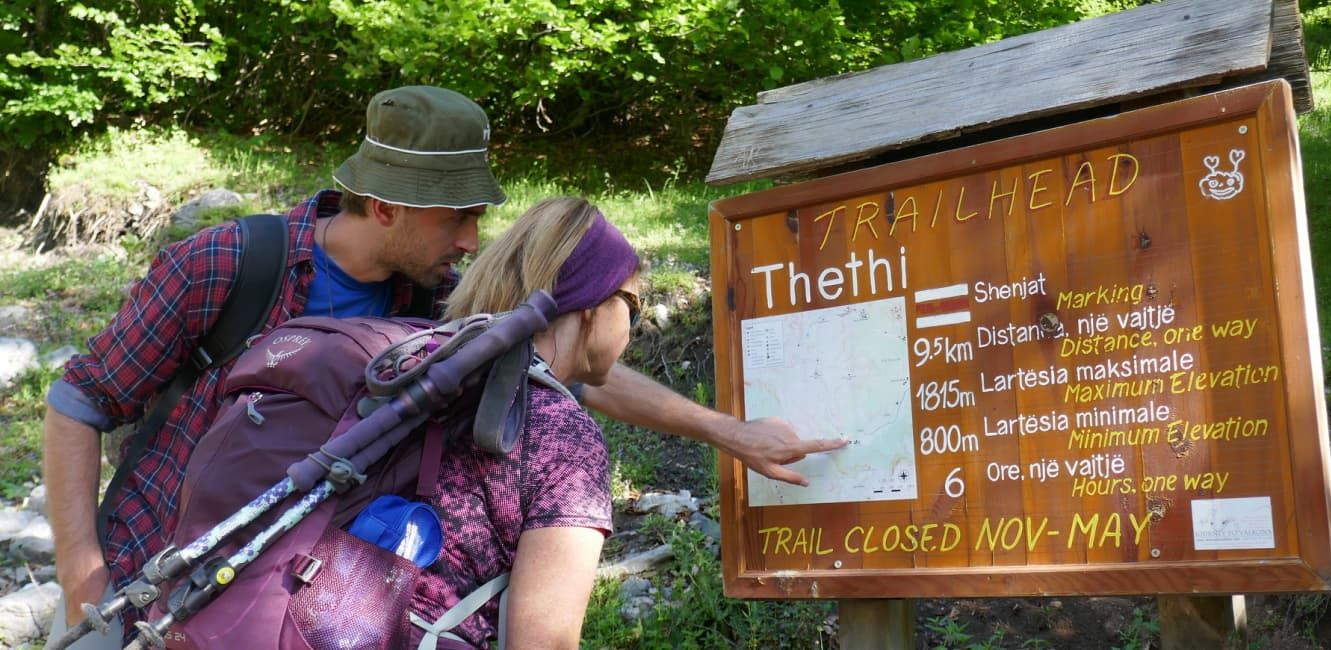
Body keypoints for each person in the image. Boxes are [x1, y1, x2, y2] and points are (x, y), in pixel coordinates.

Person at [42, 85, 845, 646]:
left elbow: (570, 376)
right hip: (147, 587)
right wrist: (85, 577)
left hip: (286, 611)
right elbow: (81, 399)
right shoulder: (228, 265)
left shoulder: (433, 307)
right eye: (456, 218)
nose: (471, 241)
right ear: (386, 206)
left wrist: (726, 431)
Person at [407, 196, 634, 648]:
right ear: (592, 305)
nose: (633, 325)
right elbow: (544, 643)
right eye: (633, 305)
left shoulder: (427, 372)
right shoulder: (563, 435)